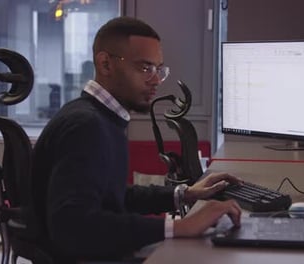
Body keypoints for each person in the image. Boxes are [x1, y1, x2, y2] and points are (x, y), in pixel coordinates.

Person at [32, 16, 242, 262]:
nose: (156, 80)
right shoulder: (87, 126)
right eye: (145, 68)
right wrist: (180, 228)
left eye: (158, 69)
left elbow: (113, 195)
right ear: (105, 64)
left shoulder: (97, 117)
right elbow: (73, 226)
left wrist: (184, 194)